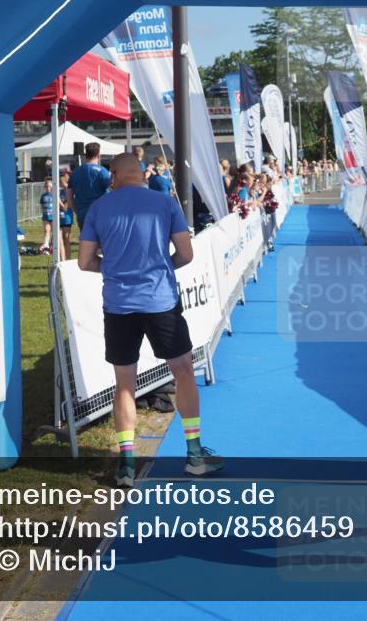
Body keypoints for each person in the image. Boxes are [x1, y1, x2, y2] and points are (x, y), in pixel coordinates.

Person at [77, 153, 223, 485]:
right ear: (142, 173)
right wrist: (159, 267)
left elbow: (85, 262)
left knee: (124, 384)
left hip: (118, 306)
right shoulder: (164, 202)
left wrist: (114, 268)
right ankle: (194, 454)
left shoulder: (99, 207)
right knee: (183, 371)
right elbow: (186, 254)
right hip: (160, 301)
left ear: (114, 174)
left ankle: (127, 465)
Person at [67, 142, 110, 230]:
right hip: (101, 214)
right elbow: (114, 193)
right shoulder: (103, 171)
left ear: (85, 155)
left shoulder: (75, 172)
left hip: (83, 216)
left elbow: (69, 198)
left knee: (86, 238)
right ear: (99, 155)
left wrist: (78, 212)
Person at [59, 169, 74, 260]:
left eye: (62, 182)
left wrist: (59, 202)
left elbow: (65, 207)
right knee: (59, 239)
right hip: (59, 218)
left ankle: (68, 259)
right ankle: (62, 259)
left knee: (66, 238)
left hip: (67, 218)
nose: (61, 184)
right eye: (60, 183)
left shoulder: (70, 192)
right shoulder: (59, 192)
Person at [39, 178, 54, 254]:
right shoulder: (43, 196)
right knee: (47, 230)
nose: (48, 188)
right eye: (47, 186)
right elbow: (41, 205)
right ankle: (46, 245)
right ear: (45, 187)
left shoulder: (54, 195)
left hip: (53, 216)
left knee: (54, 231)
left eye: (50, 187)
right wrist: (43, 213)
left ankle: (53, 246)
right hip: (46, 216)